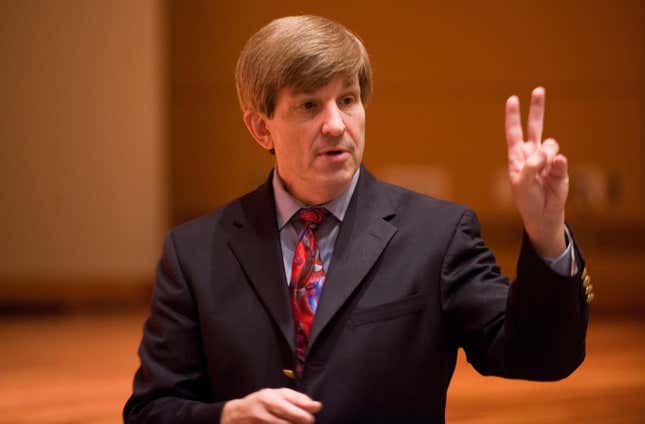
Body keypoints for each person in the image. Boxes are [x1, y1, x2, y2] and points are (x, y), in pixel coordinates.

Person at [124, 15, 592, 424]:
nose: (336, 124)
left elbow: (541, 356)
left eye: (347, 100)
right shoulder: (193, 253)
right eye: (309, 105)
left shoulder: (437, 235)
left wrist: (546, 232)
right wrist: (224, 417)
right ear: (261, 126)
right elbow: (151, 410)